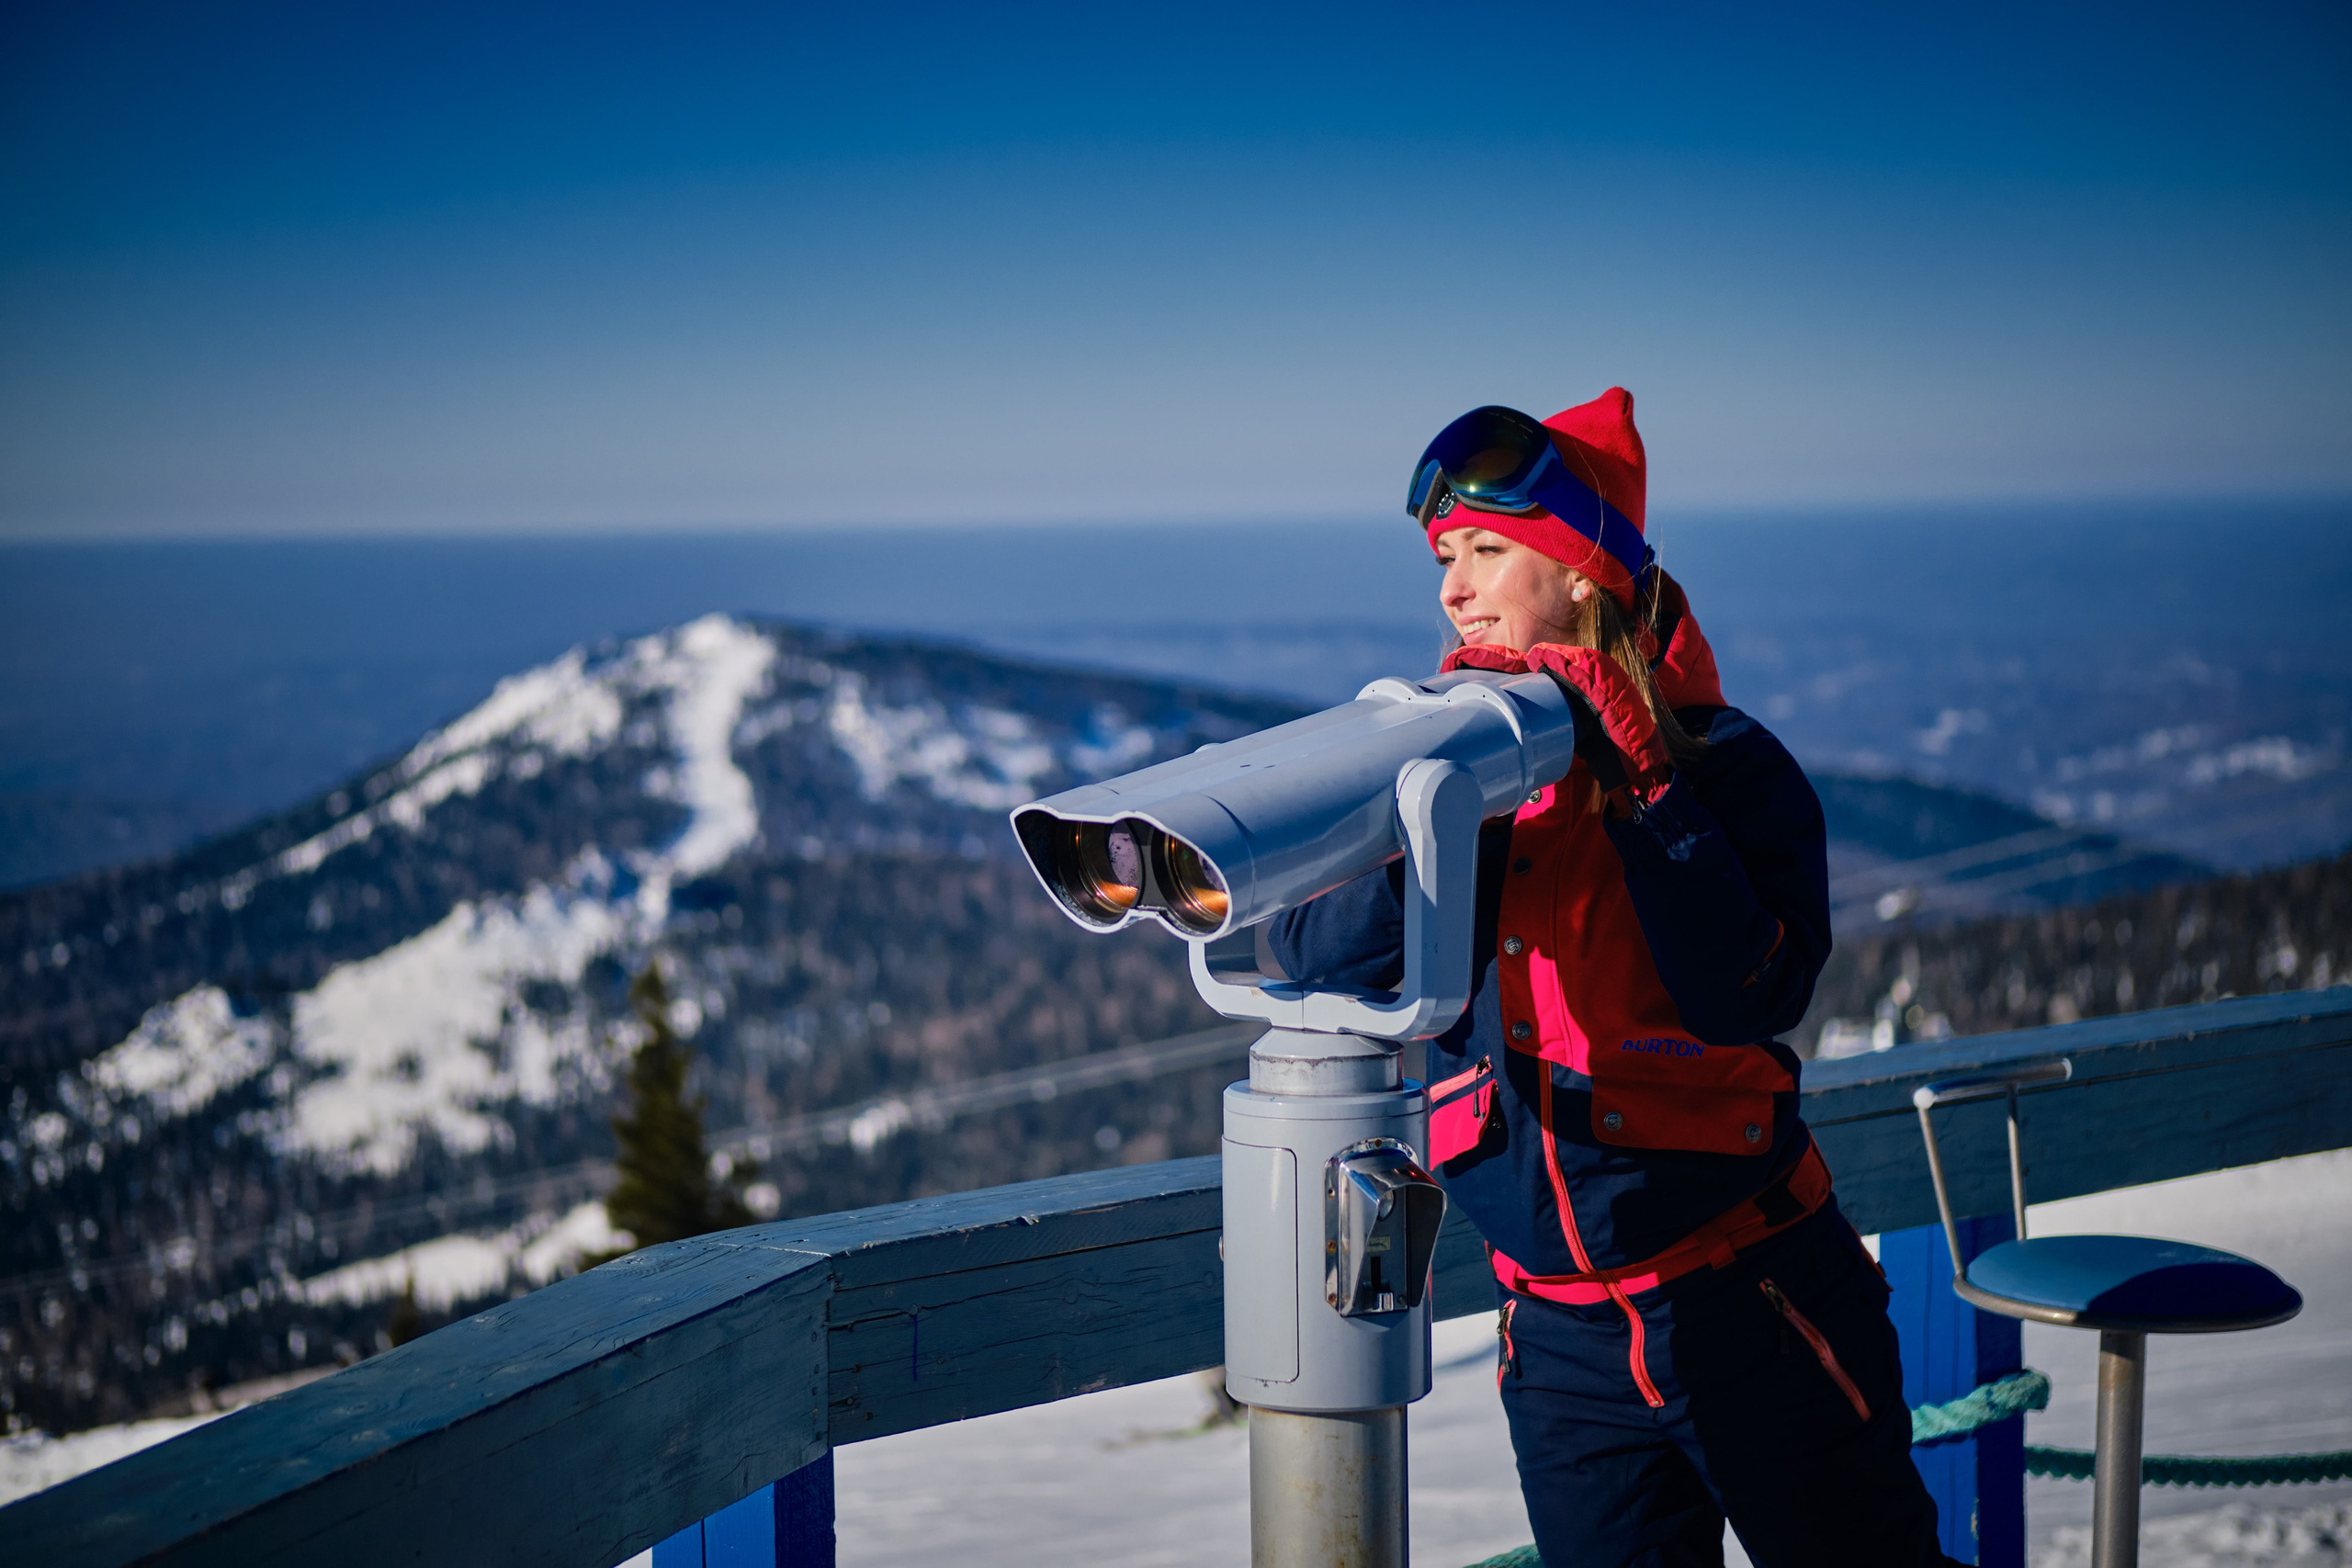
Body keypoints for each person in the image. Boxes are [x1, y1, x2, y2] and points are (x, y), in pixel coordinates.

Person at [1263, 390, 1956, 1567]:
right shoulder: (1455, 780)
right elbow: (1313, 962)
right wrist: (1438, 804)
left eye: (1488, 550)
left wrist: (1645, 787)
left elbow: (1755, 992)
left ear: (1583, 575)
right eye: (1444, 557)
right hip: (1560, 1345)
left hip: (1750, 1299)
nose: (1451, 586)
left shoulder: (1728, 770)